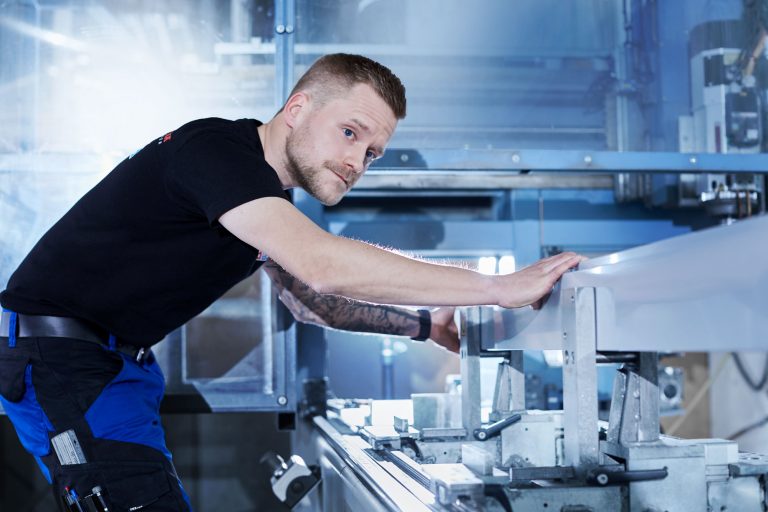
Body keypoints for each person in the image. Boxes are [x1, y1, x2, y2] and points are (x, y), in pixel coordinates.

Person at [0, 53, 583, 511]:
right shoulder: (214, 152)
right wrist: (498, 287)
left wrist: (427, 324)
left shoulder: (263, 199)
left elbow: (314, 303)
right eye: (350, 133)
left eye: (373, 153)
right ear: (298, 108)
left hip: (115, 368)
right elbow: (323, 265)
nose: (358, 162)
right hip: (59, 358)